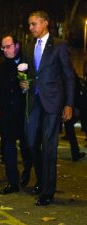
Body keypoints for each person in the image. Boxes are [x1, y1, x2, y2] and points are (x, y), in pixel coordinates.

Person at [20, 11, 75, 206]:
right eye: (29, 24)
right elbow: (31, 74)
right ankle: (42, 179)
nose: (31, 28)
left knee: (49, 146)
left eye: (34, 24)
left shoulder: (59, 45)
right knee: (30, 142)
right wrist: (25, 83)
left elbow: (69, 77)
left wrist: (68, 104)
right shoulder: (28, 47)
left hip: (53, 102)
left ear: (45, 23)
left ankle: (48, 191)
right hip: (34, 101)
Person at [0, 35, 34, 194]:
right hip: (7, 114)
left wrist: (27, 86)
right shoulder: (1, 68)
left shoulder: (29, 63)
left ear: (17, 45)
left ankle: (27, 169)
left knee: (27, 146)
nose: (5, 50)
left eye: (8, 46)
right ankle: (12, 182)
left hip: (25, 113)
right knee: (9, 149)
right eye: (3, 47)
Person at [64, 74, 86, 161]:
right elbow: (75, 92)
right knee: (70, 131)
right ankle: (75, 153)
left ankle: (75, 153)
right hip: (67, 106)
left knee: (69, 131)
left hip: (62, 105)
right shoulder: (71, 76)